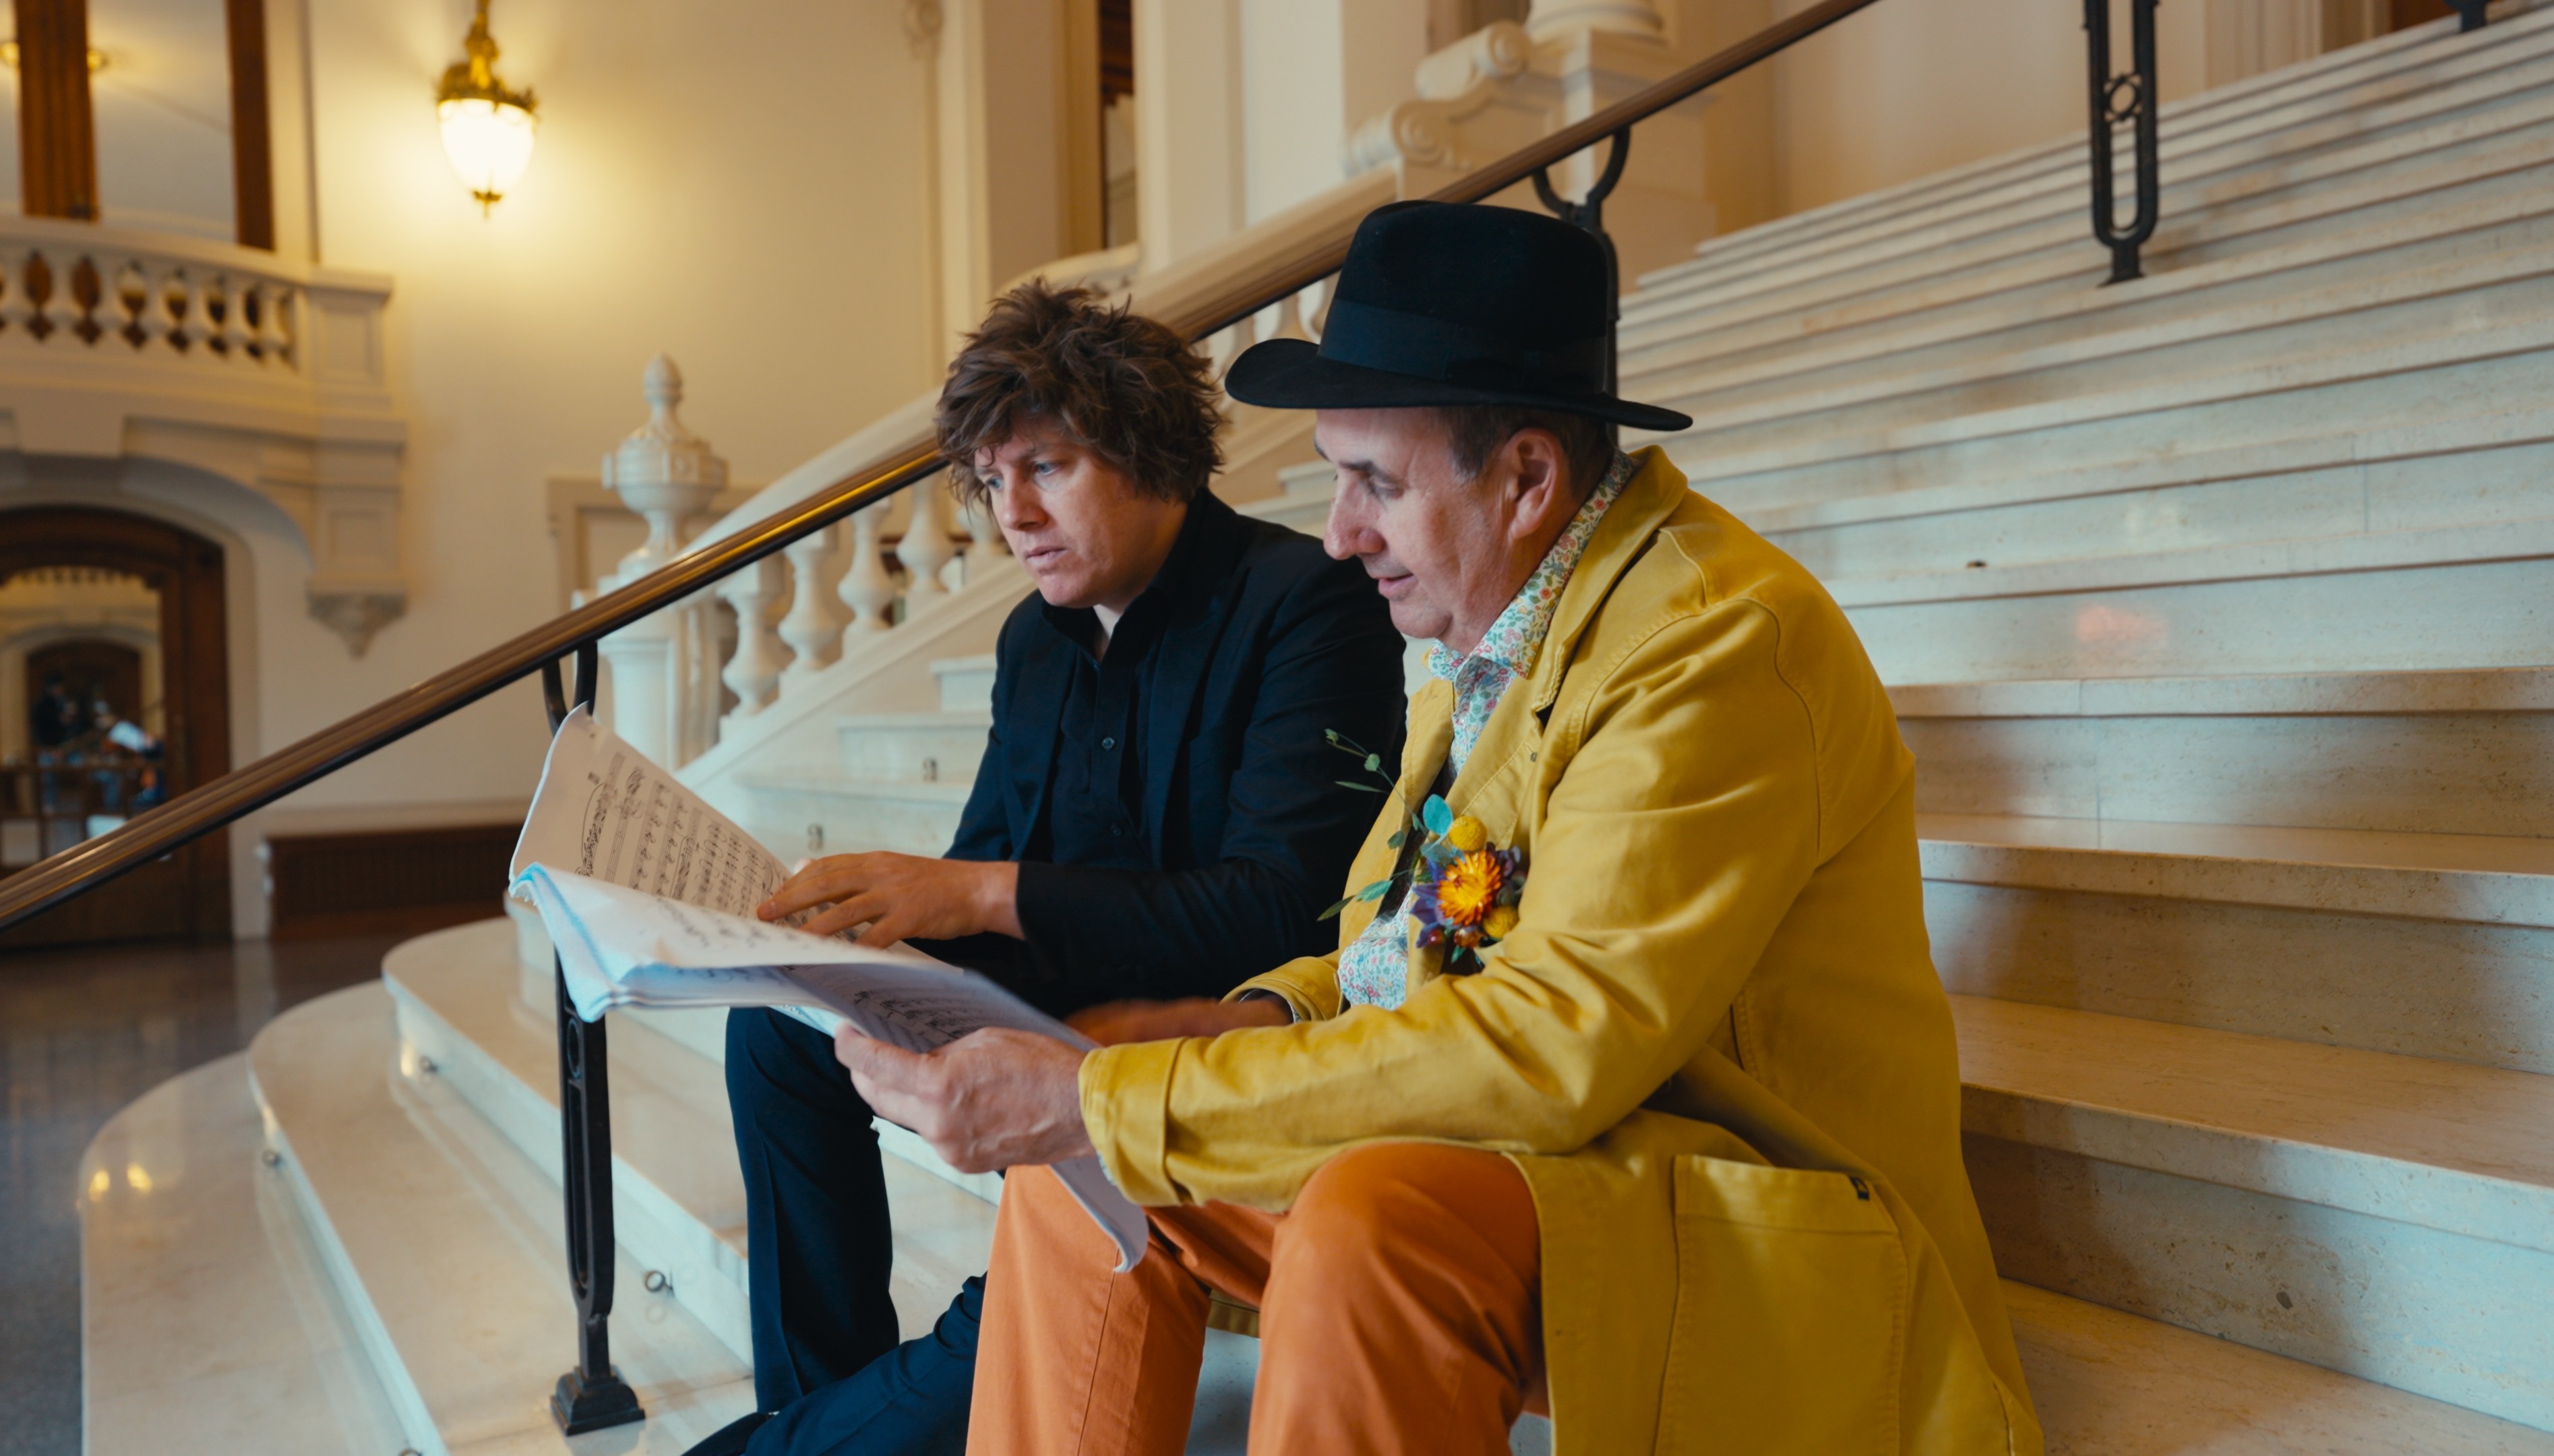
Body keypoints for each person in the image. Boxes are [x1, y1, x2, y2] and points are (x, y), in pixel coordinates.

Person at [830, 202, 2042, 1455]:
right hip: (1567, 1170)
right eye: (1335, 477)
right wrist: (1254, 1017)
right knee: (1083, 1176)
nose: (1339, 532)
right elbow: (1400, 950)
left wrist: (1111, 1095)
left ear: (1527, 479)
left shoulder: (1714, 645)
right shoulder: (1493, 629)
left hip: (1740, 1207)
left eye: (1375, 483)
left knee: (1365, 1213)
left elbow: (1550, 1044)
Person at [694, 282, 1407, 1456]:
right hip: (1059, 999)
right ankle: (820, 1409)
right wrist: (846, 941)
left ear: (1149, 450)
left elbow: (1280, 906)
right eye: (991, 481)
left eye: (1046, 467)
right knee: (778, 1027)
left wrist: (978, 893)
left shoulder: (1306, 599)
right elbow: (981, 863)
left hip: (1210, 1030)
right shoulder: (1033, 637)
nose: (1012, 515)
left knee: (1024, 1268)